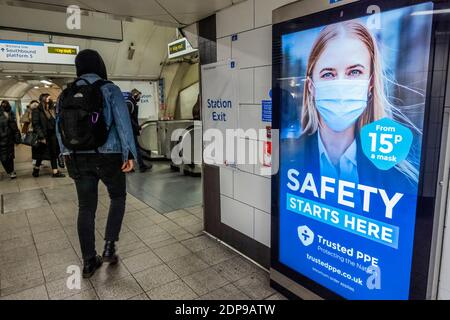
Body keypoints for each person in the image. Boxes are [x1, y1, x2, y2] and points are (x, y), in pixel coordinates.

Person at [284, 20, 420, 212]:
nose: (341, 85)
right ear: (312, 87)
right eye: (328, 74)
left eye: (354, 72)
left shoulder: (398, 175)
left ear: (370, 83)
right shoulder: (286, 157)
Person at [56, 49, 137, 278]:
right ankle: (110, 247)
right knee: (118, 197)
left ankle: (89, 261)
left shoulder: (66, 93)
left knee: (86, 207)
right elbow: (123, 124)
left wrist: (65, 154)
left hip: (77, 157)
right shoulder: (110, 89)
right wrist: (128, 154)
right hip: (109, 155)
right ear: (100, 65)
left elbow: (59, 127)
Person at [31, 93, 65, 178]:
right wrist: (41, 136)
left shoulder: (51, 109)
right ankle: (36, 169)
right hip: (43, 135)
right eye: (48, 98)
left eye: (50, 98)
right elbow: (36, 124)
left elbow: (55, 121)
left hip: (53, 134)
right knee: (41, 153)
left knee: (53, 152)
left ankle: (55, 172)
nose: (49, 99)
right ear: (43, 99)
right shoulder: (37, 110)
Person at [127, 88, 151, 172]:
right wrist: (137, 127)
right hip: (130, 130)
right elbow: (128, 118)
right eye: (139, 96)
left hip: (130, 129)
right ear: (135, 95)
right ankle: (141, 166)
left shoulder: (130, 103)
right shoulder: (130, 104)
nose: (139, 98)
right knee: (135, 148)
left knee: (130, 148)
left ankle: (130, 167)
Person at [0, 100, 21, 179]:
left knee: (10, 156)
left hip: (10, 139)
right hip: (1, 140)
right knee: (3, 158)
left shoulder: (10, 114)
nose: (4, 105)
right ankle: (9, 170)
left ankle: (11, 171)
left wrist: (17, 138)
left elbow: (14, 127)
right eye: (3, 104)